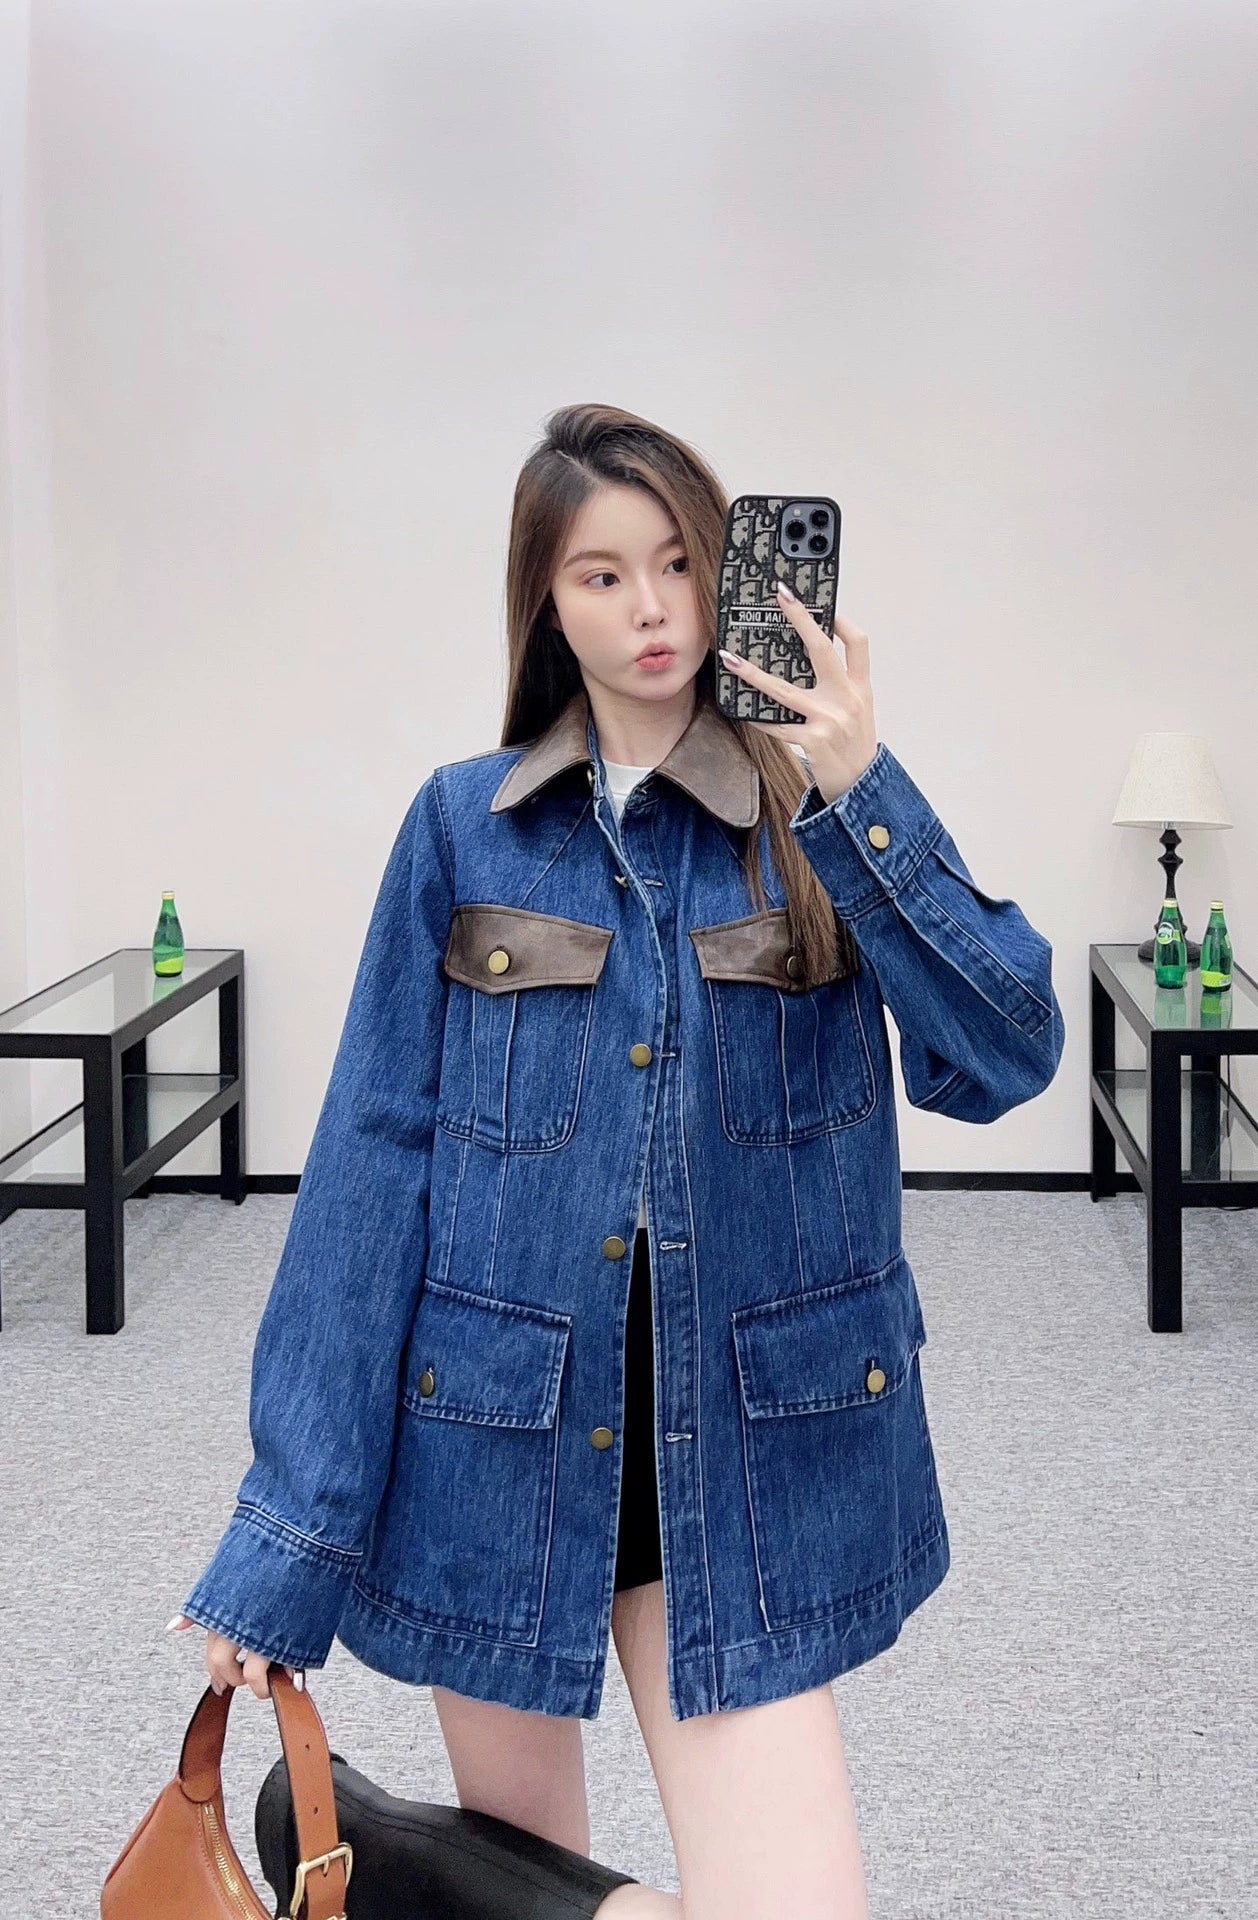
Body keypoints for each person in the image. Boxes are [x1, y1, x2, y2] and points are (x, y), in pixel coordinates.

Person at [169, 402, 1065, 1918]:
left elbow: (1006, 1055)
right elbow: (373, 1174)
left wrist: (860, 795)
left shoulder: (812, 826)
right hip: (496, 1440)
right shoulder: (463, 830)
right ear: (547, 600)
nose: (649, 608)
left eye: (676, 562)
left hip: (743, 1447)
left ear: (726, 570)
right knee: (524, 1870)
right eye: (600, 574)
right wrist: (284, 1538)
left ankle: (421, 1882)